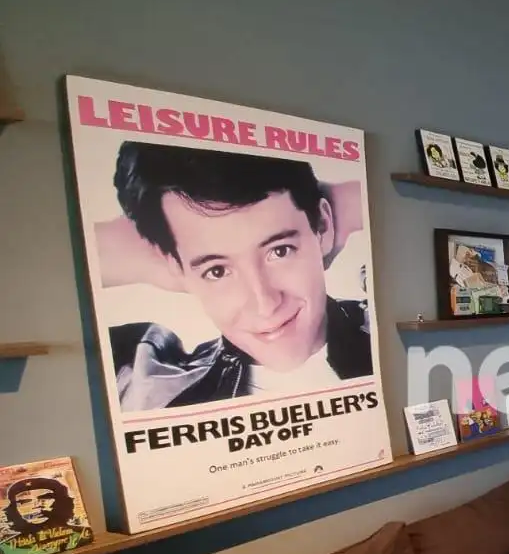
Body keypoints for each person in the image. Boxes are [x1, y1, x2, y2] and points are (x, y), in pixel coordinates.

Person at [99, 141, 373, 409]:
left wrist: (356, 200)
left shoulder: (378, 326)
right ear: (177, 269)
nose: (265, 305)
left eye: (280, 251)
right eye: (217, 271)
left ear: (323, 226)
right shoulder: (151, 390)